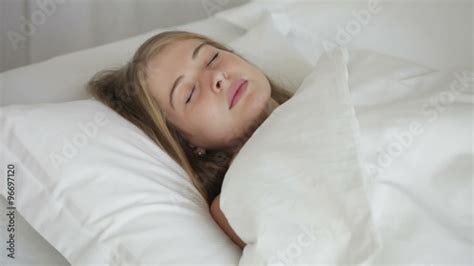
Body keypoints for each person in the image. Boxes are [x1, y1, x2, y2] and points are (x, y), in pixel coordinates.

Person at [86, 31, 293, 249]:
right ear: (189, 143)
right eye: (190, 94)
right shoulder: (233, 203)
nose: (218, 77)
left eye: (212, 58)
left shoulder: (325, 82)